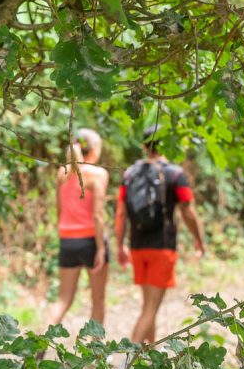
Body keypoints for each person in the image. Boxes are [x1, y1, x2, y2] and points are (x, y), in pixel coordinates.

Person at [115, 124, 206, 343]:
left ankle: (150, 357)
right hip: (162, 248)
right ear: (167, 143)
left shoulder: (129, 174)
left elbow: (120, 213)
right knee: (150, 310)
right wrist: (199, 240)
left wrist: (120, 245)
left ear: (145, 146)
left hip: (137, 247)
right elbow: (188, 212)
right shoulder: (175, 174)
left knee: (148, 306)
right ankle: (127, 361)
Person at [48, 128, 109, 327]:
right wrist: (100, 248)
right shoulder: (98, 174)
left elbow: (59, 209)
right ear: (94, 151)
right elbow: (98, 215)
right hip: (91, 240)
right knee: (97, 300)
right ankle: (95, 353)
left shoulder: (62, 172)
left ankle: (37, 347)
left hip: (67, 240)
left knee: (63, 300)